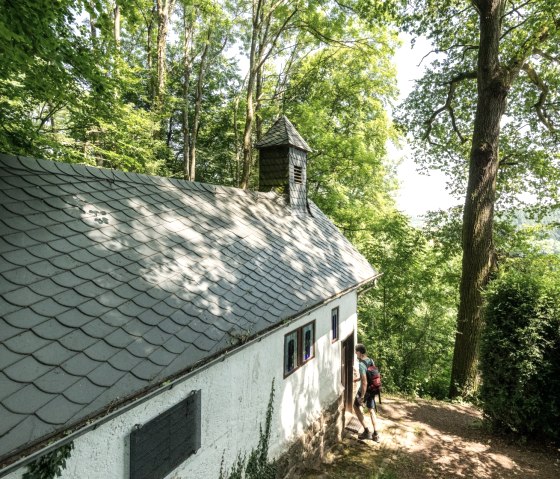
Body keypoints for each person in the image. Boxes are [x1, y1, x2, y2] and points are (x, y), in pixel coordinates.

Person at [353, 343, 380, 441]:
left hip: (366, 390)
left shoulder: (361, 364)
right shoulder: (370, 360)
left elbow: (364, 382)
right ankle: (376, 435)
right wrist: (357, 379)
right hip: (373, 389)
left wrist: (362, 397)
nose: (355, 354)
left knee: (355, 406)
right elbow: (370, 374)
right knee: (371, 410)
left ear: (359, 352)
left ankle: (367, 431)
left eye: (356, 352)